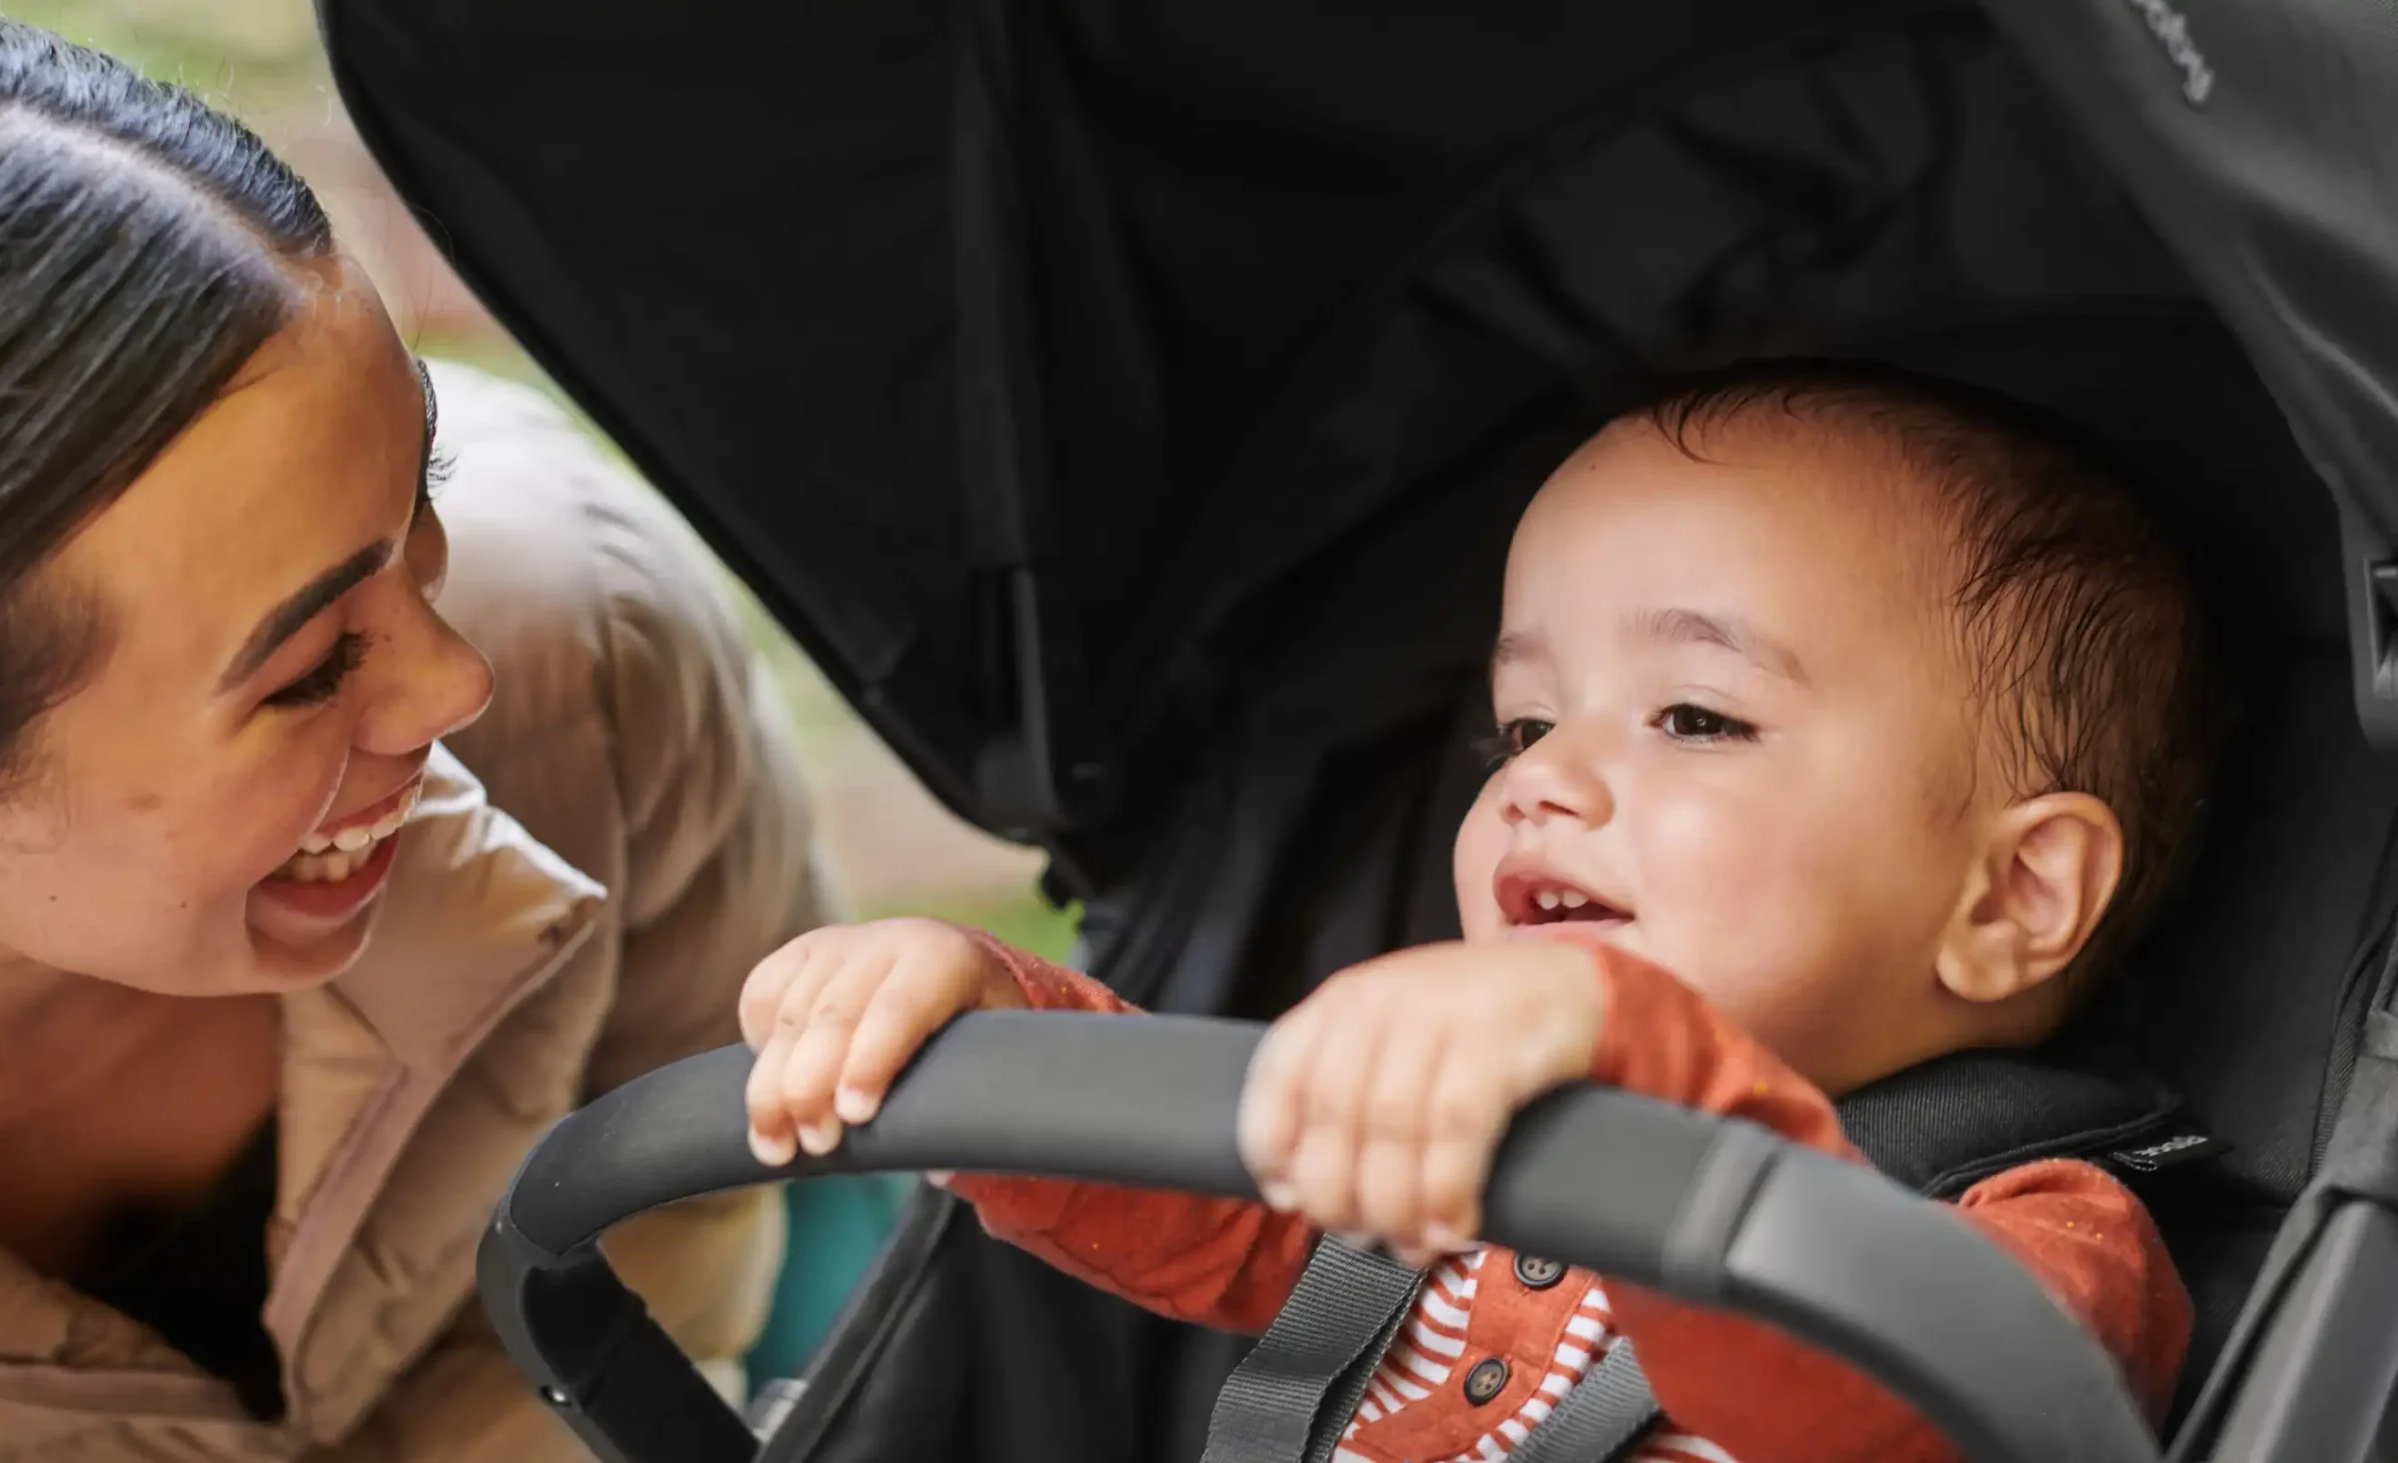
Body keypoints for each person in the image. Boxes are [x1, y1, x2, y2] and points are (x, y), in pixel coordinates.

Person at [738, 360, 2230, 1463]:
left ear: (2014, 892)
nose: (1544, 783)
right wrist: (994, 1028)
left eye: (1697, 715)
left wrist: (1663, 1085)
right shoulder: (1470, 1150)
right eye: (1521, 729)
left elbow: (1898, 1409)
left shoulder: (2041, 1234)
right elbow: (1204, 1185)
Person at [0, 5, 834, 1459]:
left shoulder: (584, 637)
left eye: (417, 501)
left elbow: (708, 1237)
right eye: (307, 668)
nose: (456, 686)